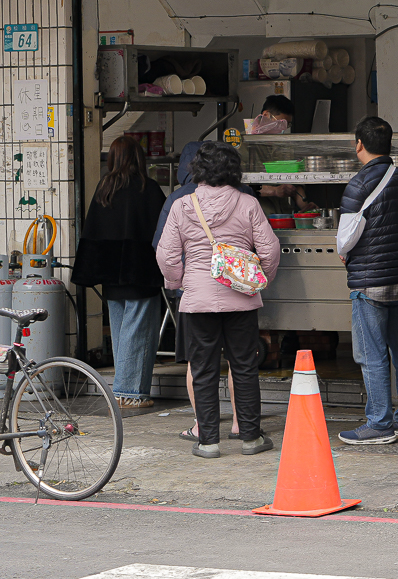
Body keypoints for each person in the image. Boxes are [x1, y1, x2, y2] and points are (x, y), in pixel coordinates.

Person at [155, 142, 279, 458]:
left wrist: (178, 283)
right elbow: (270, 250)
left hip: (197, 301)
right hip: (242, 301)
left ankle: (208, 441)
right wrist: (259, 281)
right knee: (244, 367)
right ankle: (251, 438)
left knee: (203, 369)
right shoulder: (248, 203)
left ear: (197, 169)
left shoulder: (183, 205)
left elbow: (166, 254)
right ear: (233, 170)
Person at [337, 116, 398, 445]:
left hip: (370, 283)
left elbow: (344, 241)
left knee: (371, 354)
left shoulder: (359, 185)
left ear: (359, 144)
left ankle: (378, 422)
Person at [74, 135, 169, 410]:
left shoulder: (104, 189)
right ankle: (130, 392)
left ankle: (124, 389)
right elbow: (164, 231)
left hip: (111, 275)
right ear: (139, 158)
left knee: (121, 332)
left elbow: (92, 231)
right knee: (139, 331)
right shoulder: (148, 189)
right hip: (141, 273)